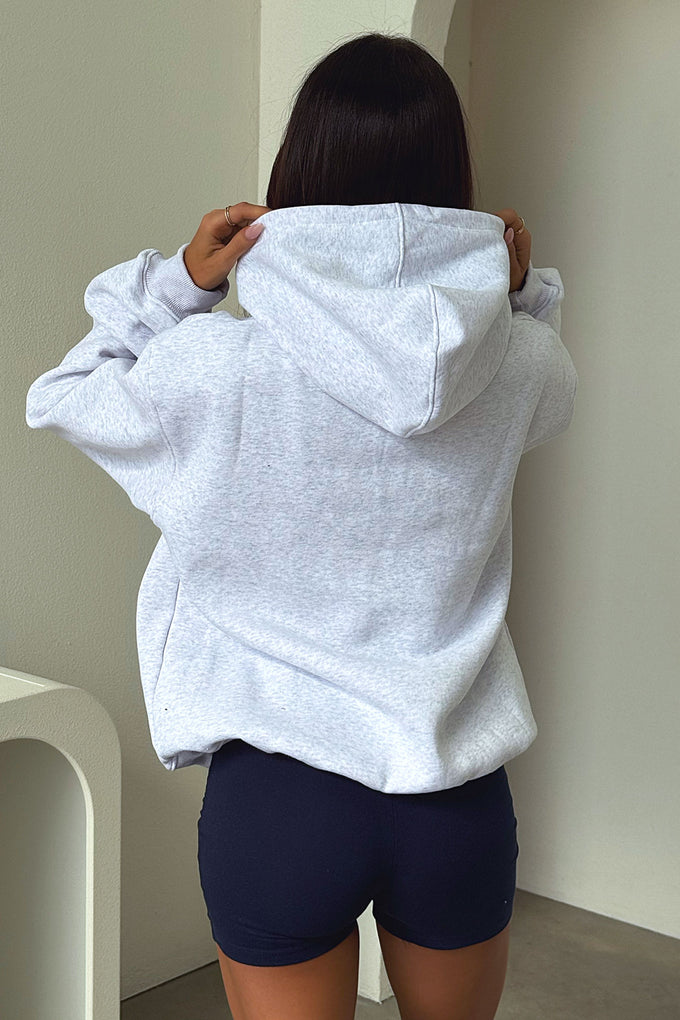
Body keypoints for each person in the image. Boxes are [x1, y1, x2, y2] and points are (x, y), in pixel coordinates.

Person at [25, 30, 577, 1020]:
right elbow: (536, 379)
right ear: (452, 183)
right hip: (452, 794)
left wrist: (180, 286)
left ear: (297, 174)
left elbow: (63, 394)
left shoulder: (213, 369)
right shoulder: (522, 366)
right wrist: (513, 297)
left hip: (280, 800)